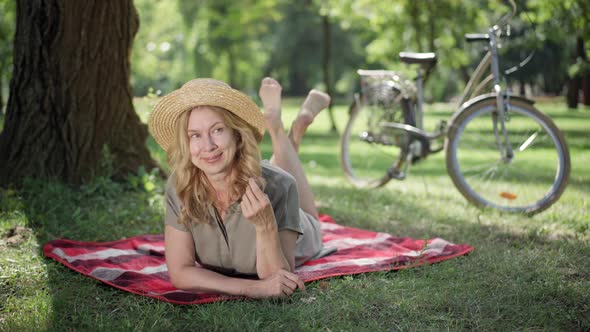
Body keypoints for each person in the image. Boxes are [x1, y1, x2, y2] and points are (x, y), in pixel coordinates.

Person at [148, 77, 334, 299]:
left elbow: (278, 282)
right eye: (195, 135)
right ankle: (285, 128)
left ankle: (286, 129)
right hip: (258, 173)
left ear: (237, 134)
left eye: (217, 130)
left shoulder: (280, 186)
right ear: (185, 144)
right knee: (274, 173)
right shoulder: (180, 185)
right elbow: (180, 274)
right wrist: (250, 289)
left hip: (297, 226)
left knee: (299, 202)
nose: (208, 146)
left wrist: (266, 226)